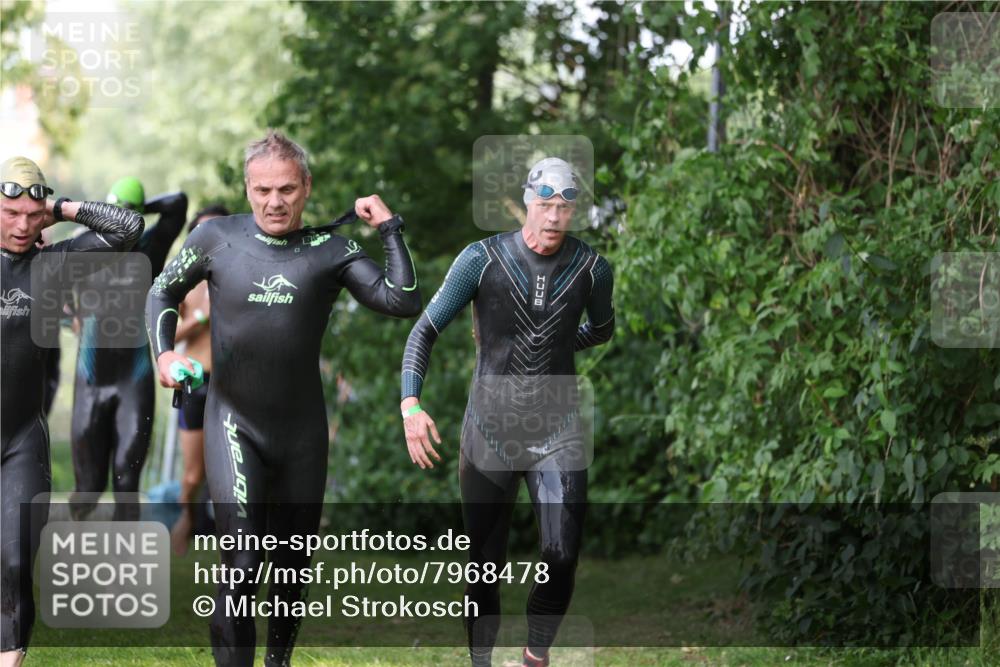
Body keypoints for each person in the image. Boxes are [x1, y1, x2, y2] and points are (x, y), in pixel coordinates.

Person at [146, 130, 421, 667]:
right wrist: (162, 354)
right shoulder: (215, 239)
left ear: (307, 187)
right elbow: (163, 290)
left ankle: (277, 662)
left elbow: (402, 299)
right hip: (233, 424)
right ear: (247, 188)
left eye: (288, 190)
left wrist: (388, 228)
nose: (275, 202)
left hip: (301, 434)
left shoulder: (330, 250)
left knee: (291, 569)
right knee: (241, 563)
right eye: (263, 190)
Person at [400, 158, 614, 667]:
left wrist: (559, 347)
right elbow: (423, 331)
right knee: (483, 566)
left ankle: (534, 657)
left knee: (561, 555)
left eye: (565, 206)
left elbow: (602, 329)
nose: (553, 217)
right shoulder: (482, 259)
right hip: (488, 430)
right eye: (544, 204)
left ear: (575, 210)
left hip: (557, 430)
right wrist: (411, 403)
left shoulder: (592, 269)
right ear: (526, 202)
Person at [1, 156, 143, 665]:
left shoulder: (54, 264)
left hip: (20, 442)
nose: (21, 225)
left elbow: (128, 228)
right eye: (9, 213)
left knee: (14, 562)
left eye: (30, 215)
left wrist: (59, 207)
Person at [69, 177, 188, 522]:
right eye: (113, 217)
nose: (121, 226)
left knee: (126, 477)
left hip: (132, 379)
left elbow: (178, 203)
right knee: (88, 487)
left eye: (128, 218)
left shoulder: (150, 249)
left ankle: (125, 564)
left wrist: (137, 209)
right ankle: (74, 559)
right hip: (90, 377)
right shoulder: (84, 249)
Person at [170, 204, 230, 556]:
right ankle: (188, 520)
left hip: (233, 381)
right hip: (194, 381)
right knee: (193, 476)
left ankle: (236, 541)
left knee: (234, 471)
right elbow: (166, 331)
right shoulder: (183, 278)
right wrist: (200, 319)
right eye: (204, 231)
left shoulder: (243, 273)